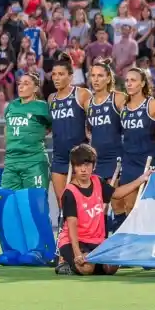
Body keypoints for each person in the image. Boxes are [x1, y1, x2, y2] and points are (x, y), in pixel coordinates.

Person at [55, 144, 153, 276]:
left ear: (93, 166)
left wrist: (141, 179)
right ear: (74, 167)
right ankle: (68, 265)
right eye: (79, 166)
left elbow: (117, 193)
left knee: (112, 268)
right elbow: (72, 225)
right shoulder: (69, 192)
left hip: (96, 240)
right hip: (75, 241)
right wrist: (77, 253)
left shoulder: (98, 182)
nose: (83, 169)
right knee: (87, 268)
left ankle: (89, 263)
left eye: (87, 165)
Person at [114, 67, 155, 227]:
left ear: (142, 83)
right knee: (129, 206)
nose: (128, 83)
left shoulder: (154, 104)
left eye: (133, 80)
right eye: (127, 80)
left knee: (150, 207)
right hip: (129, 160)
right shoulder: (123, 106)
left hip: (149, 159)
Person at [48, 53, 91, 202]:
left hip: (79, 157)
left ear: (70, 76)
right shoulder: (51, 98)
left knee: (80, 203)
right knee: (63, 204)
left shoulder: (82, 94)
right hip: (59, 156)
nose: (56, 78)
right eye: (54, 74)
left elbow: (94, 119)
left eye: (61, 74)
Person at [2, 73, 52, 190]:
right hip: (11, 162)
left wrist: (37, 135)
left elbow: (52, 125)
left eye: (26, 83)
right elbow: (7, 126)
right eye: (20, 83)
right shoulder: (11, 105)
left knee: (34, 204)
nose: (21, 86)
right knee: (8, 202)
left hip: (34, 161)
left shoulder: (42, 107)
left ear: (35, 88)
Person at [86, 59, 124, 181]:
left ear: (108, 79)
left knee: (116, 198)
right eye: (93, 75)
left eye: (100, 76)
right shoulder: (88, 103)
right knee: (99, 199)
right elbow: (88, 130)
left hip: (116, 157)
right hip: (97, 159)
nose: (96, 79)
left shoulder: (118, 98)